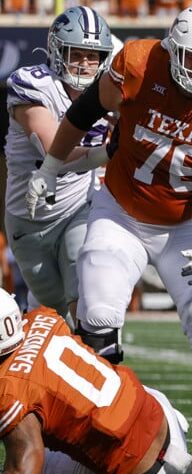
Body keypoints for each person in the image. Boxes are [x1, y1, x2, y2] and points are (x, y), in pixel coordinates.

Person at [26, 4, 192, 474]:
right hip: (120, 212)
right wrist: (51, 167)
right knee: (98, 322)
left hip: (189, 224)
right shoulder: (138, 63)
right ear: (173, 50)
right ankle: (97, 444)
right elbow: (84, 112)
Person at [0, 289, 192, 474]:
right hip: (161, 416)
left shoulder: (11, 390)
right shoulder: (42, 318)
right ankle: (176, 422)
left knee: (31, 469)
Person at [4, 6, 115, 320]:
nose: (84, 64)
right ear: (56, 50)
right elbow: (55, 149)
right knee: (52, 311)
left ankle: (99, 346)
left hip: (78, 208)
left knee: (85, 293)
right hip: (28, 217)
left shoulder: (109, 91)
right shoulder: (34, 84)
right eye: (76, 54)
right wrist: (107, 152)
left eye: (92, 56)